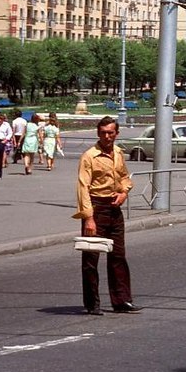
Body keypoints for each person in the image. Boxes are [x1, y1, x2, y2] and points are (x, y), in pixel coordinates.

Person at [72, 116, 140, 315]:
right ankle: (92, 303)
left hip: (114, 208)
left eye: (111, 132)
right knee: (91, 257)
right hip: (96, 207)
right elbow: (83, 188)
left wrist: (124, 192)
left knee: (118, 255)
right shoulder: (89, 156)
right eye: (103, 133)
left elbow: (124, 177)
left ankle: (122, 300)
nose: (107, 136)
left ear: (117, 133)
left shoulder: (118, 153)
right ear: (98, 133)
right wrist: (89, 218)